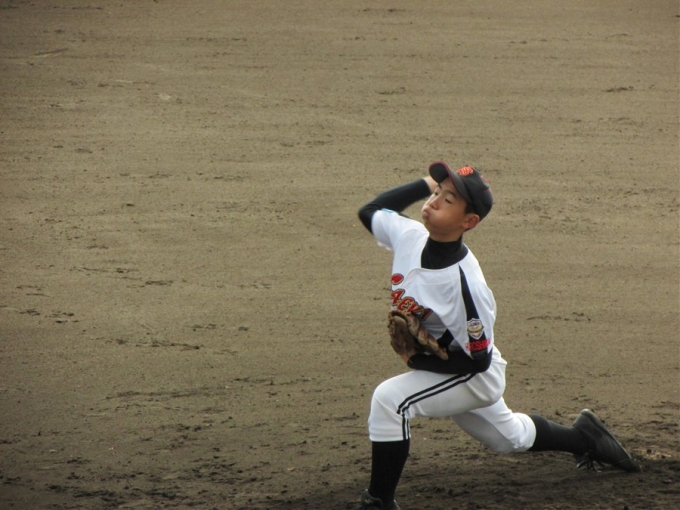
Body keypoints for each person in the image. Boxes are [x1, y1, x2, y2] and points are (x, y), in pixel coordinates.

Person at [354, 162, 640, 510]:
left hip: (473, 375)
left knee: (390, 401)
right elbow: (370, 211)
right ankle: (586, 437)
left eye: (448, 200)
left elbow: (477, 360)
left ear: (469, 221)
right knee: (509, 439)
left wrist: (417, 360)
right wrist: (427, 181)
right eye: (437, 193)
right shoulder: (409, 236)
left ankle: (379, 501)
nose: (434, 202)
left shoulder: (465, 286)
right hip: (457, 364)